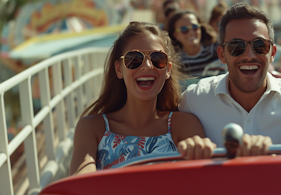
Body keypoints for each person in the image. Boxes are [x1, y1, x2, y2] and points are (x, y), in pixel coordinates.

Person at [178, 2, 281, 155]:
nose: (249, 56)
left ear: (272, 53)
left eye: (260, 46)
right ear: (222, 54)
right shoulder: (193, 99)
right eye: (236, 47)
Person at [69, 22, 209, 175]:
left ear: (168, 70)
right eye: (134, 59)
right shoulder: (92, 128)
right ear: (119, 69)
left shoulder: (184, 124)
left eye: (157, 58)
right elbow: (80, 185)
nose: (147, 65)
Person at [166, 10, 219, 78]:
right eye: (184, 29)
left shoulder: (216, 50)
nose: (191, 33)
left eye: (195, 27)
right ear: (176, 35)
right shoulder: (175, 61)